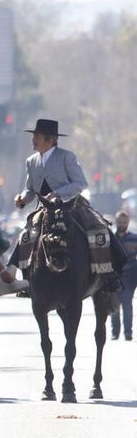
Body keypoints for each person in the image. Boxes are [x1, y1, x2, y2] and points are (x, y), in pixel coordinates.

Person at [12, 118, 127, 293]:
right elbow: (30, 189)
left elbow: (80, 183)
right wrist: (22, 198)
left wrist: (58, 194)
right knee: (26, 235)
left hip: (71, 205)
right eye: (33, 136)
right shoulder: (31, 161)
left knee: (97, 228)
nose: (33, 140)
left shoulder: (66, 156)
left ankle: (110, 275)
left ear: (50, 140)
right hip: (44, 209)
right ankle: (26, 281)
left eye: (37, 136)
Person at [110, 211, 137, 340]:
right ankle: (115, 332)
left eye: (124, 222)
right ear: (116, 222)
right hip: (114, 277)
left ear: (128, 223)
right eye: (120, 222)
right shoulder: (111, 239)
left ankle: (128, 332)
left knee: (127, 304)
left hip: (130, 277)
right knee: (114, 305)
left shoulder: (134, 238)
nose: (122, 224)